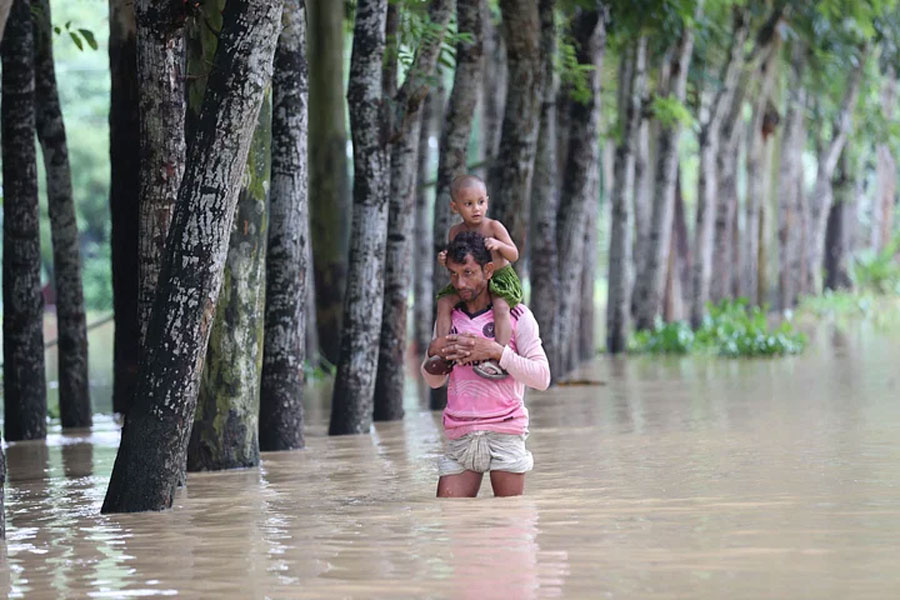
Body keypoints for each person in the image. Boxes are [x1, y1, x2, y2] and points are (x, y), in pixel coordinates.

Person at [421, 231, 551, 498]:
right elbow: (434, 381)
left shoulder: (517, 315)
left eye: (468, 273)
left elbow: (542, 378)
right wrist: (439, 355)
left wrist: (495, 351)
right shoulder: (448, 317)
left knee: (509, 516)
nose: (460, 283)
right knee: (449, 515)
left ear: (488, 270)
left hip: (506, 431)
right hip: (459, 434)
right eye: (454, 274)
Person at [425, 174, 522, 380]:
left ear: (487, 201)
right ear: (455, 207)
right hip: (470, 280)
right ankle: (445, 353)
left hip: (499, 278)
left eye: (480, 202)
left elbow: (514, 254)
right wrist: (445, 258)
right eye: (468, 204)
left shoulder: (493, 226)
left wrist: (499, 245)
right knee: (444, 302)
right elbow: (457, 260)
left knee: (501, 307)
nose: (476, 209)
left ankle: (499, 356)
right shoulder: (455, 231)